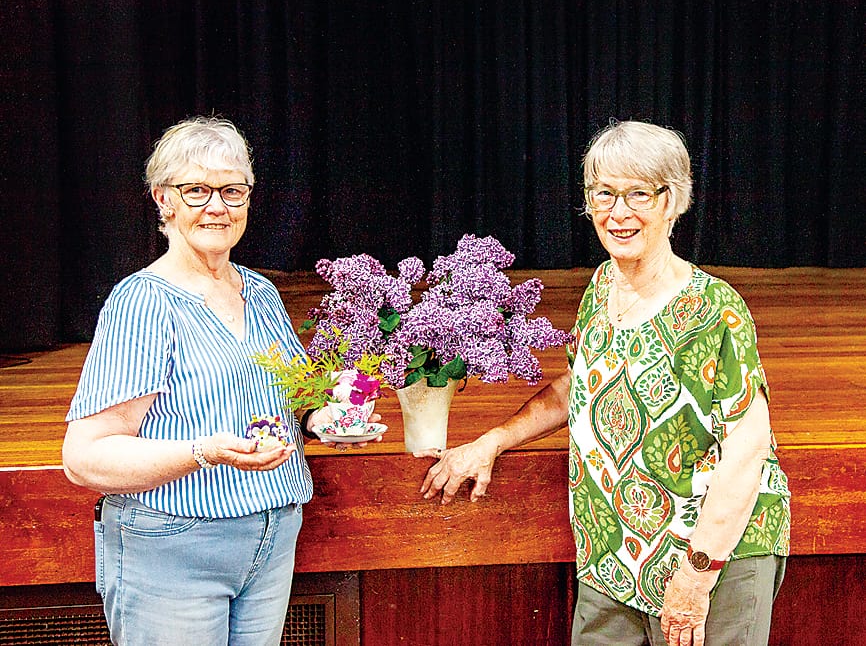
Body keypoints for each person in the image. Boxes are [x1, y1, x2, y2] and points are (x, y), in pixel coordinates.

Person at [418, 120, 790, 646]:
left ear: (672, 202)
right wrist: (492, 440)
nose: (618, 213)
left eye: (638, 193)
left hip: (711, 560)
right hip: (613, 557)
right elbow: (578, 387)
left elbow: (747, 451)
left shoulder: (715, 310)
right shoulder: (600, 287)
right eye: (604, 194)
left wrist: (697, 577)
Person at [62, 116, 367, 645]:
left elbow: (289, 397)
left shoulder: (261, 291)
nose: (217, 206)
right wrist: (206, 451)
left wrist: (323, 417)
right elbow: (84, 457)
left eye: (232, 190)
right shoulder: (143, 302)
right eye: (196, 190)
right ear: (164, 199)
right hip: (177, 544)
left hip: (271, 536)